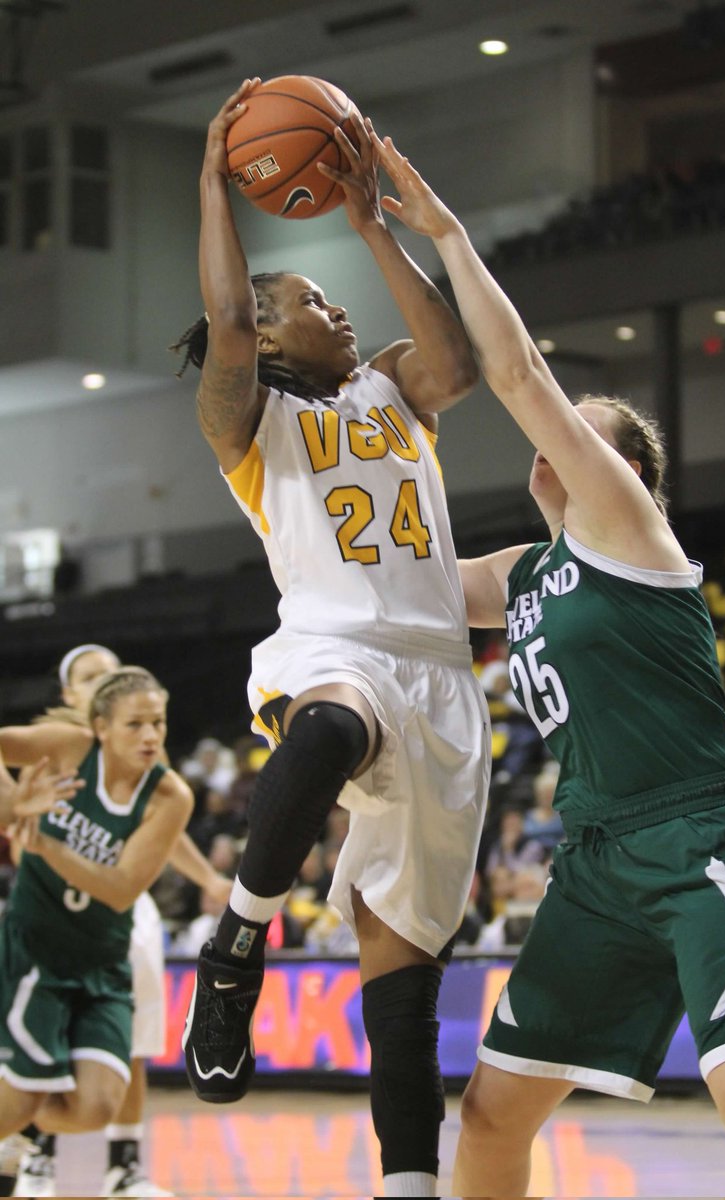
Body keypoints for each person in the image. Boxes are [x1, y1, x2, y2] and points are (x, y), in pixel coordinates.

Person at [369, 131, 725, 1197]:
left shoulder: (626, 530)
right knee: (490, 1115)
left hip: (703, 828)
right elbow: (384, 576)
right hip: (597, 860)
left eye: (584, 436)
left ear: (628, 474)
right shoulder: (523, 571)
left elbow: (512, 373)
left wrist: (444, 236)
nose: (554, 443)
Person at [171, 79, 490, 1197]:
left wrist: (367, 226)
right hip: (332, 649)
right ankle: (236, 945)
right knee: (322, 736)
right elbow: (221, 322)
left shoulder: (391, 390)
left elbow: (459, 366)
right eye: (313, 299)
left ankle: (406, 1184)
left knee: (402, 988)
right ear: (264, 330)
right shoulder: (250, 426)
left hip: (443, 680)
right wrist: (215, 187)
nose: (339, 312)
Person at [6, 644, 233, 1199]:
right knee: (24, 1099)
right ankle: (23, 1141)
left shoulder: (169, 793)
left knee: (92, 1105)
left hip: (104, 957)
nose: (152, 734)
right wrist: (15, 808)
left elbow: (120, 889)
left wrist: (41, 843)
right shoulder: (66, 747)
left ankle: (77, 1150)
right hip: (38, 951)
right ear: (101, 725)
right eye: (137, 723)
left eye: (158, 721)